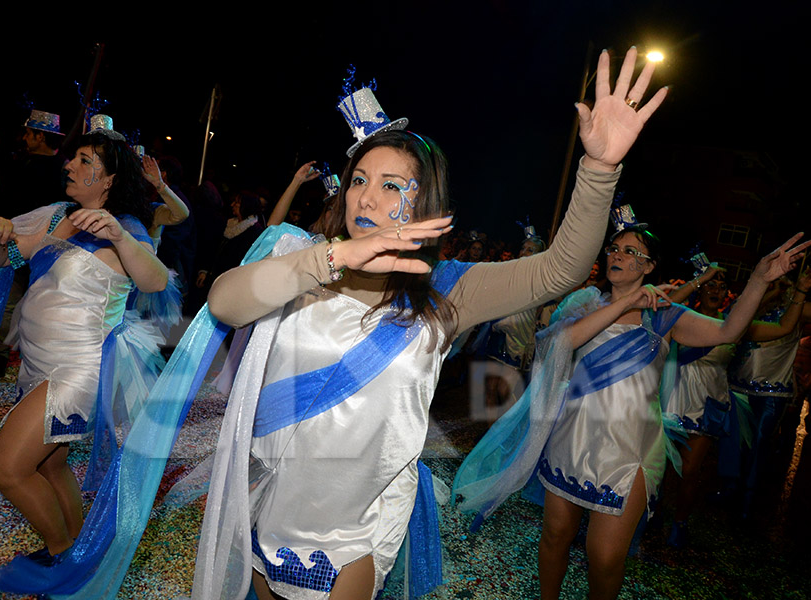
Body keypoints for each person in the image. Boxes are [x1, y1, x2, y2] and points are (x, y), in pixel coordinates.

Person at [194, 46, 668, 600]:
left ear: (425, 204)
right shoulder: (303, 257)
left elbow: (559, 269)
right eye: (360, 180)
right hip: (270, 503)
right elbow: (224, 303)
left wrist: (599, 169)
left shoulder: (445, 288)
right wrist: (330, 260)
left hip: (355, 529)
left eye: (393, 186)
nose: (367, 198)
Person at [454, 223, 810, 600]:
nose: (618, 255)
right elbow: (561, 342)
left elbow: (728, 331)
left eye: (630, 251)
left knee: (604, 557)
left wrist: (757, 279)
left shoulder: (665, 317)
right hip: (571, 438)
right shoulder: (586, 304)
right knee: (555, 538)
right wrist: (626, 302)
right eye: (614, 248)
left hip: (629, 450)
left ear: (649, 266)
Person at [0, 129, 167, 564]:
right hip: (36, 365)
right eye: (72, 159)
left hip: (74, 372)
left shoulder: (125, 228)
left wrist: (119, 235)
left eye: (84, 160)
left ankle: (63, 557)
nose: (69, 165)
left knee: (7, 469)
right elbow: (6, 259)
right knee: (49, 465)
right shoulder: (57, 215)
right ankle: (78, 547)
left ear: (109, 180)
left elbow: (155, 281)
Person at [662, 264, 811, 547]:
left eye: (721, 287)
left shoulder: (735, 326)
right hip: (671, 400)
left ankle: (680, 522)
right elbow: (658, 309)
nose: (716, 290)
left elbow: (785, 327)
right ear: (701, 289)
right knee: (659, 467)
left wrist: (800, 290)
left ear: (727, 295)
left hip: (707, 405)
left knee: (690, 471)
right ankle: (649, 510)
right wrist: (694, 281)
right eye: (710, 285)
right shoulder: (679, 318)